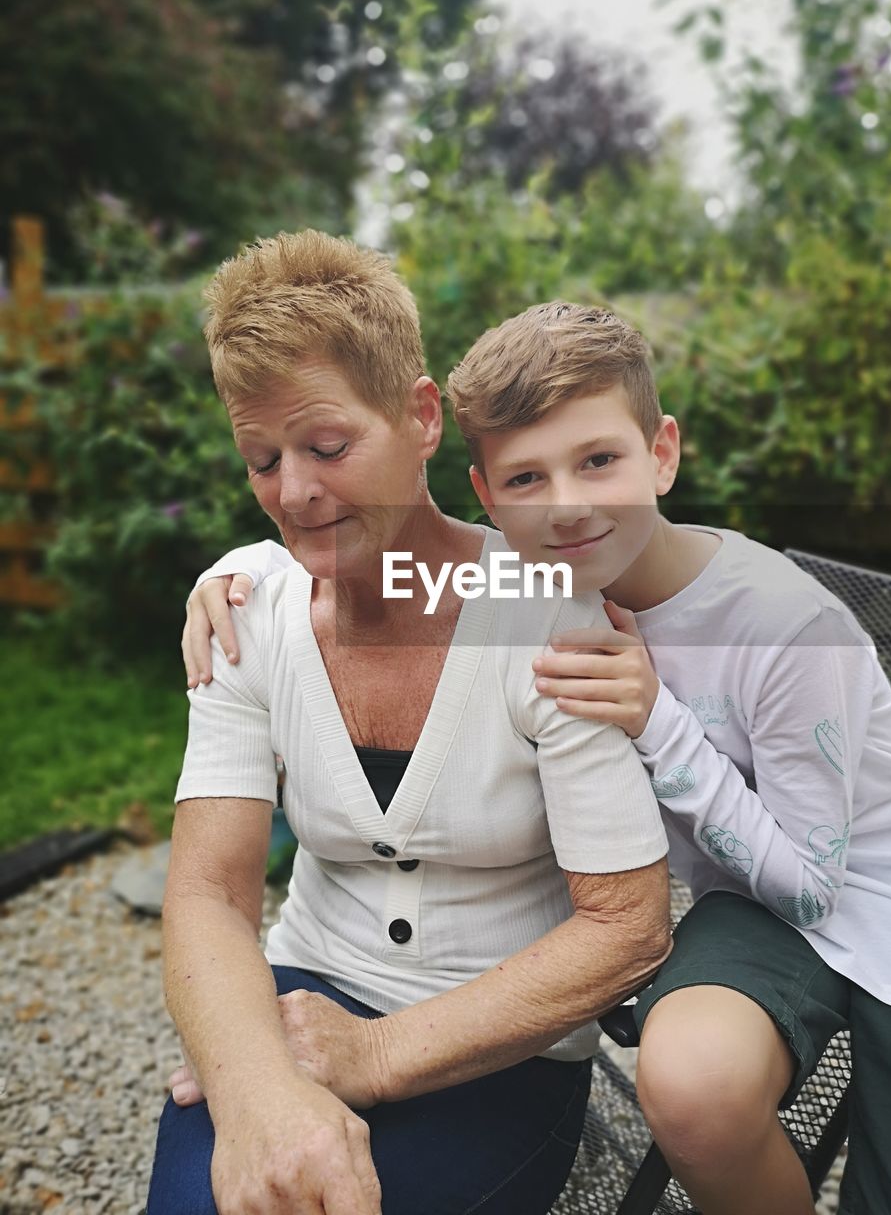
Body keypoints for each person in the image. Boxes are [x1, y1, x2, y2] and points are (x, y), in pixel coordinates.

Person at [191, 300, 891, 1215]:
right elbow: (350, 551)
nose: (565, 506)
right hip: (748, 905)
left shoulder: (788, 628)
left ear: (662, 454)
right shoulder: (538, 586)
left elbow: (815, 889)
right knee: (694, 1083)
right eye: (526, 479)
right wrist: (234, 572)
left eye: (598, 461)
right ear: (488, 496)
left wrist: (656, 721)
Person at [153, 241, 673, 1215]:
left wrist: (376, 1054)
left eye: (327, 446)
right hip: (298, 995)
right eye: (262, 459)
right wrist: (257, 1086)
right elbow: (210, 892)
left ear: (422, 416)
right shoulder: (240, 609)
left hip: (502, 1040)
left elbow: (628, 926)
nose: (293, 491)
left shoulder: (548, 613)